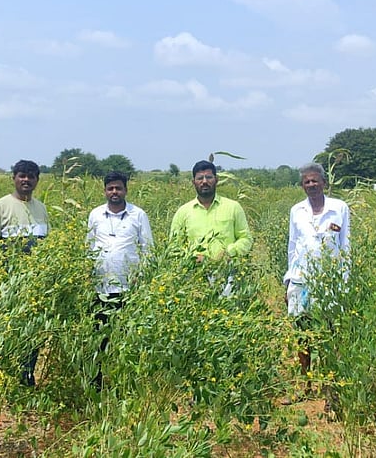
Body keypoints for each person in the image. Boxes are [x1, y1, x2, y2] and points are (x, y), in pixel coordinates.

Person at [282, 162, 350, 404]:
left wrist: (343, 283)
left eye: (315, 181)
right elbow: (293, 246)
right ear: (302, 186)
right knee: (302, 335)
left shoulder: (339, 208)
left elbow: (345, 247)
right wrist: (288, 280)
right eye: (306, 182)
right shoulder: (296, 211)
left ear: (324, 183)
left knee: (330, 334)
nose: (311, 185)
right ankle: (305, 385)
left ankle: (332, 390)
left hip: (330, 282)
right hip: (301, 280)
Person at [0, 159, 49, 386]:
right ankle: (2, 377)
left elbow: (45, 245)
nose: (26, 180)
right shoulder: (0, 207)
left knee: (33, 330)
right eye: (22, 175)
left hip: (35, 283)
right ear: (13, 178)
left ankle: (27, 374)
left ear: (36, 181)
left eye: (31, 176)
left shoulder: (40, 208)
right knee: (8, 328)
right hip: (8, 282)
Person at [86, 170, 153, 389]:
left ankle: (125, 384)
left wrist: (140, 279)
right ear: (105, 190)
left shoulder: (138, 215)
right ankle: (97, 383)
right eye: (110, 188)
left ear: (126, 190)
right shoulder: (95, 214)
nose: (114, 192)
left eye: (118, 188)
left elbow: (148, 249)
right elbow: (89, 247)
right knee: (99, 339)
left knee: (126, 339)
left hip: (129, 289)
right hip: (100, 289)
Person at [169, 160, 252, 293]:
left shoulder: (233, 207)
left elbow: (246, 238)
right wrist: (192, 258)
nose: (204, 181)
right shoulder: (183, 212)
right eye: (200, 178)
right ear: (193, 182)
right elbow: (174, 246)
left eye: (209, 177)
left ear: (216, 180)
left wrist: (230, 252)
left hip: (229, 274)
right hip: (194, 277)